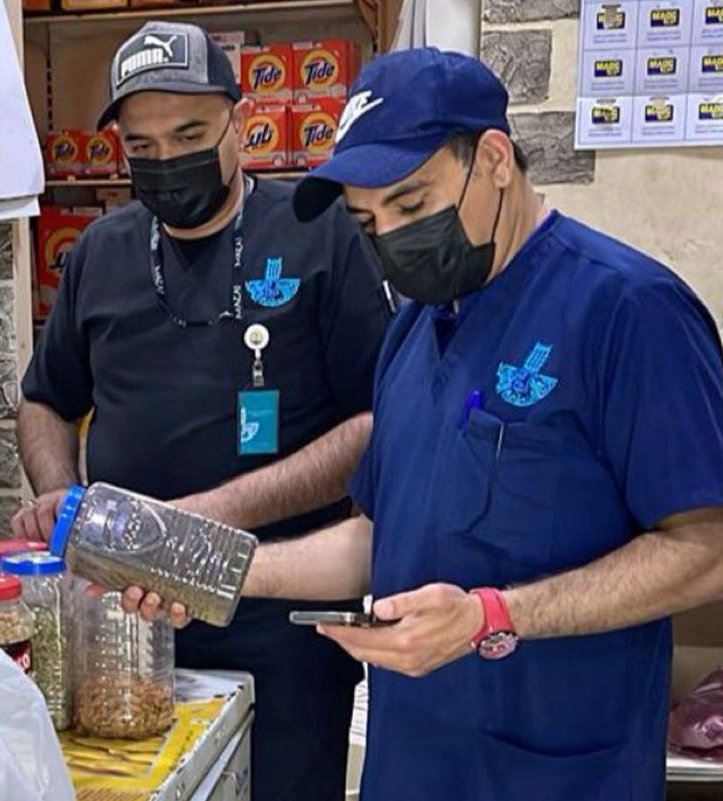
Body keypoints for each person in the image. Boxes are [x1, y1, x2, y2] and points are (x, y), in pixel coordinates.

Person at [123, 47, 723, 800]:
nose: (392, 238)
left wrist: (492, 616)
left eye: (410, 206)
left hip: (555, 771)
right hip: (412, 764)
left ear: (494, 160)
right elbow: (379, 540)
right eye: (368, 221)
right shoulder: (414, 330)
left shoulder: (628, 310)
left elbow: (706, 549)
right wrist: (209, 565)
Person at [14, 21, 391, 801]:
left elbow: (375, 424)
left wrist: (207, 523)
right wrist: (58, 495)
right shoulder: (100, 251)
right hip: (124, 623)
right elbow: (45, 399)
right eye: (141, 146)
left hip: (284, 620)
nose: (166, 160)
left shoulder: (318, 231)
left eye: (189, 134)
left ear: (239, 122)